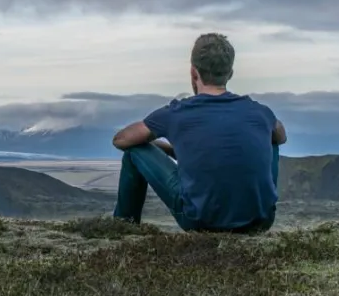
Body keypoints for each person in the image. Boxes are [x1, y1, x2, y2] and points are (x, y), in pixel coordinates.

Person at [111, 33, 287, 233]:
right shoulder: (261, 112)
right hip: (261, 221)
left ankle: (122, 228)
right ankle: (257, 207)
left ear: (194, 72)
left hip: (200, 221)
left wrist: (152, 144)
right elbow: (281, 136)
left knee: (134, 152)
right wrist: (174, 150)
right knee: (271, 140)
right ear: (230, 73)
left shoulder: (176, 113)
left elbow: (121, 140)